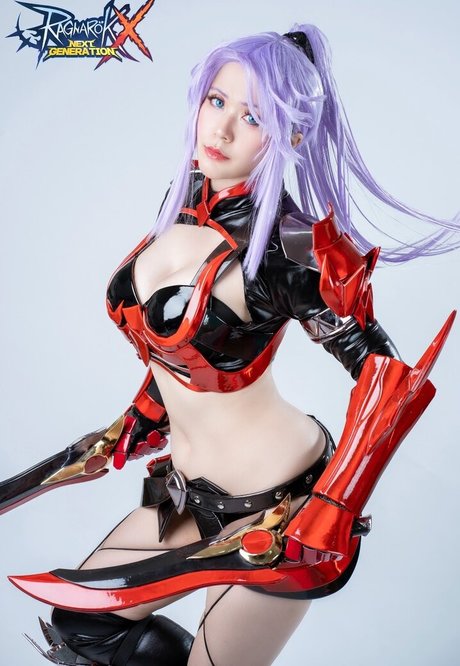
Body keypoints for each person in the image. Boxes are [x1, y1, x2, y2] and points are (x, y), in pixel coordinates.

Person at [5, 24, 459, 666]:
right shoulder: (182, 205)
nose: (219, 130)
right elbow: (186, 354)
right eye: (216, 101)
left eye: (253, 118)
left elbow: (387, 377)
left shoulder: (289, 248)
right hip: (187, 494)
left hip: (283, 508)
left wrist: (332, 507)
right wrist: (138, 421)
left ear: (291, 135)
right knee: (84, 629)